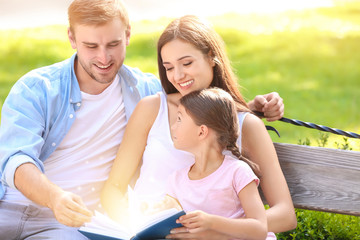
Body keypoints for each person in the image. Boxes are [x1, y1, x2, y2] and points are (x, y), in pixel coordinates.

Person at [0, 1, 284, 239]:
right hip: (14, 205)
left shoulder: (143, 90)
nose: (103, 58)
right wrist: (56, 198)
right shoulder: (40, 88)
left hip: (69, 225)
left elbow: (210, 108)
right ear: (72, 39)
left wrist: (249, 108)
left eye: (113, 43)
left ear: (127, 36)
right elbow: (15, 158)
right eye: (169, 67)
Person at [101, 15, 296, 240]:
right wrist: (133, 228)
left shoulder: (244, 123)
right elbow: (114, 188)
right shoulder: (153, 109)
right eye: (169, 67)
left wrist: (210, 230)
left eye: (187, 63)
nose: (178, 75)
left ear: (211, 57)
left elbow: (285, 214)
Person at [166, 87, 270, 240]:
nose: (173, 126)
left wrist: (212, 223)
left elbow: (260, 229)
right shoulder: (175, 181)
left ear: (202, 131)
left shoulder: (237, 171)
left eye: (179, 119)